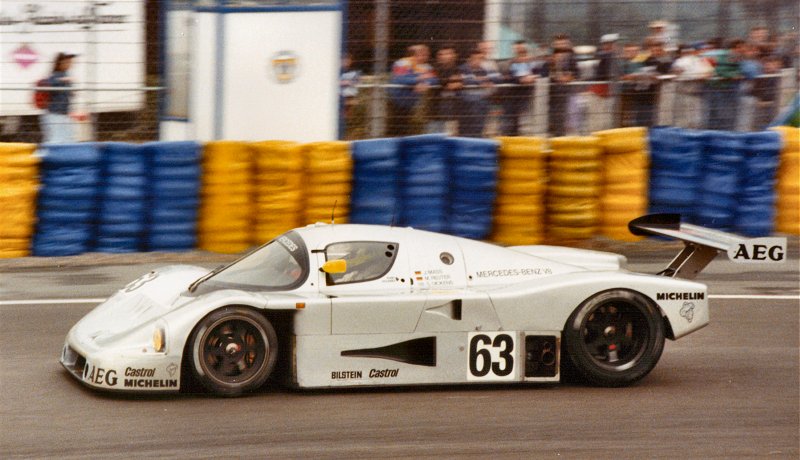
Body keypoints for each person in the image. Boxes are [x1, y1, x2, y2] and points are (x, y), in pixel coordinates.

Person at [387, 44, 435, 137]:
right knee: (394, 127)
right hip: (397, 100)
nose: (423, 57)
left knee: (406, 127)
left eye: (425, 54)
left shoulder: (427, 67)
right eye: (420, 54)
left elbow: (434, 79)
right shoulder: (402, 63)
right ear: (414, 54)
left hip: (411, 101)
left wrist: (426, 83)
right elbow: (399, 79)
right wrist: (418, 79)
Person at [498, 40, 540, 136]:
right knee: (510, 122)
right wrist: (520, 80)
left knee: (524, 123)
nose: (520, 50)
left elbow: (541, 74)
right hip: (511, 97)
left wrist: (533, 77)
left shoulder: (533, 62)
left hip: (527, 96)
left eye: (521, 47)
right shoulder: (509, 63)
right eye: (517, 48)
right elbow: (506, 77)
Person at [705, 39, 745, 131]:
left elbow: (739, 70)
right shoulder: (725, 55)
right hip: (718, 89)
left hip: (726, 88)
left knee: (726, 113)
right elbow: (719, 70)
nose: (745, 50)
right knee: (719, 113)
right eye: (743, 47)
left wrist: (736, 74)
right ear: (737, 47)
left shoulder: (737, 57)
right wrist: (732, 75)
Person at [460, 48, 501, 137]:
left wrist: (486, 79)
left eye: (480, 59)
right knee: (468, 128)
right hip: (467, 102)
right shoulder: (463, 68)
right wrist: (479, 82)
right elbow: (465, 81)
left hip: (481, 102)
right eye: (475, 59)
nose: (478, 61)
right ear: (470, 59)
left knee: (480, 126)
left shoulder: (482, 70)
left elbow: (498, 78)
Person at [671, 44, 713, 129]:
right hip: (683, 92)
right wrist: (692, 76)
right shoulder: (680, 61)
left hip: (697, 92)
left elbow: (709, 72)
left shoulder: (701, 60)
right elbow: (676, 71)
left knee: (696, 118)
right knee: (683, 118)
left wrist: (697, 76)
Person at [41, 52, 77, 144]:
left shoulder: (65, 74)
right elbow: (49, 83)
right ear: (60, 63)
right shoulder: (56, 75)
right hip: (55, 113)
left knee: (68, 139)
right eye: (67, 62)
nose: (70, 64)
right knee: (56, 140)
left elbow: (67, 93)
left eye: (70, 62)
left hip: (64, 113)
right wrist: (63, 80)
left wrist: (72, 92)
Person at [426, 45, 462, 134]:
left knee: (451, 135)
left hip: (452, 110)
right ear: (439, 56)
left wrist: (457, 83)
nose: (446, 56)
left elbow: (460, 82)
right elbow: (438, 81)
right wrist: (451, 82)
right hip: (436, 109)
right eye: (443, 54)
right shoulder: (434, 68)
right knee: (434, 135)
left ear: (454, 55)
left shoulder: (457, 69)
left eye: (449, 53)